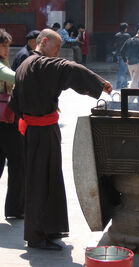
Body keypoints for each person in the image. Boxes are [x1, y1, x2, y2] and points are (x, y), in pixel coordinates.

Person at [9, 29, 112, 250]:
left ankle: (49, 229)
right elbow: (68, 67)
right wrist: (99, 83)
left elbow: (14, 104)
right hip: (42, 132)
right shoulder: (39, 64)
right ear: (44, 42)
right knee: (41, 183)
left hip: (32, 131)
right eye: (55, 50)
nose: (55, 56)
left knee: (45, 181)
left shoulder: (23, 66)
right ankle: (37, 236)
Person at [0, 28, 24, 219]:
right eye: (3, 45)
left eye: (7, 45)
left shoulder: (4, 62)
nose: (6, 49)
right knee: (17, 162)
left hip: (4, 120)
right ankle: (15, 208)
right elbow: (15, 77)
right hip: (5, 122)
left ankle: (15, 208)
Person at [121, 26, 139, 92]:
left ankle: (136, 97)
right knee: (136, 82)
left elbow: (122, 51)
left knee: (134, 80)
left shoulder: (128, 40)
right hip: (138, 64)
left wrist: (125, 60)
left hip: (130, 64)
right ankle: (130, 98)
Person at [114, 22, 131, 89]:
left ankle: (124, 83)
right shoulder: (127, 36)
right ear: (126, 29)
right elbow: (129, 45)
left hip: (119, 54)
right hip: (125, 54)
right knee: (123, 70)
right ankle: (119, 84)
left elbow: (115, 44)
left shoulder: (117, 35)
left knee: (123, 69)